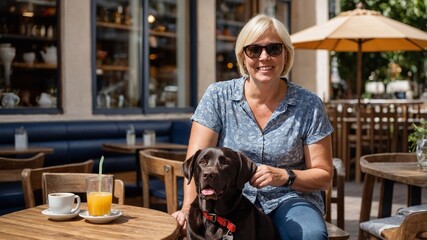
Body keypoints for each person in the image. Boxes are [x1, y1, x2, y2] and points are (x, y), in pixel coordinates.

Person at [172, 13, 333, 240]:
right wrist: (188, 208)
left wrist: (285, 176)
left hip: (290, 198)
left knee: (311, 235)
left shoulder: (309, 105)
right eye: (254, 50)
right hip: (229, 200)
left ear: (286, 55)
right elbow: (198, 162)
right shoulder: (218, 96)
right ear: (243, 57)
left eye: (274, 49)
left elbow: (324, 175)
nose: (264, 57)